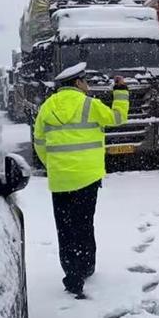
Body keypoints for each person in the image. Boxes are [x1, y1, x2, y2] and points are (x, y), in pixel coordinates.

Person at [33, 62, 129, 299]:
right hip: (87, 178)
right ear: (77, 83)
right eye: (85, 81)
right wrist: (121, 90)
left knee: (64, 229)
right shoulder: (90, 105)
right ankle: (86, 266)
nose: (87, 85)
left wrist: (55, 166)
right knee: (84, 224)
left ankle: (72, 274)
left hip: (60, 180)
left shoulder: (47, 107)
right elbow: (118, 117)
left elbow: (39, 142)